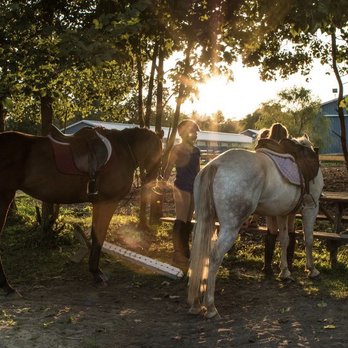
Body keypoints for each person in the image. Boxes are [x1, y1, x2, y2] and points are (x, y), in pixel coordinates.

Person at [162, 119, 201, 269]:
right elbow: (169, 167)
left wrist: (202, 186)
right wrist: (163, 182)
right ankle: (177, 253)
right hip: (181, 187)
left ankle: (185, 250)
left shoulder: (196, 151)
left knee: (188, 221)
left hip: (193, 187)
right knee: (181, 219)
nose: (196, 135)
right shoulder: (177, 149)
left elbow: (198, 171)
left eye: (196, 132)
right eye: (193, 132)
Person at [260, 123, 297, 275]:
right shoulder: (288, 153)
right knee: (291, 228)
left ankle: (267, 266)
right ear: (285, 135)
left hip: (269, 195)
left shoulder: (265, 151)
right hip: (288, 196)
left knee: (271, 230)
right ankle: (288, 264)